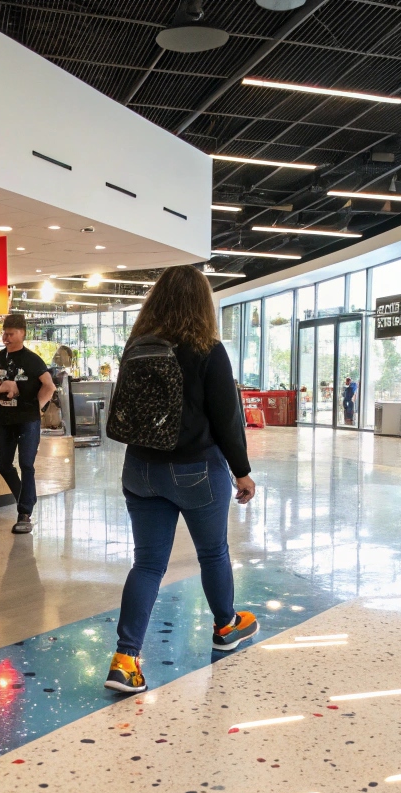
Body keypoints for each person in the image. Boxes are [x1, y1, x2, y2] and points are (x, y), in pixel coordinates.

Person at [104, 266, 259, 695]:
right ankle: (226, 626)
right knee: (213, 553)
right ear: (202, 304)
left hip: (139, 469)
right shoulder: (207, 349)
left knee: (148, 564)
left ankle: (125, 659)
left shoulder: (138, 347)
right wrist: (242, 472)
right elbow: (228, 419)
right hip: (195, 469)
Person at [0, 313, 55, 534]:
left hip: (27, 420)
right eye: (4, 333)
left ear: (22, 333)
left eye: (11, 334)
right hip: (3, 420)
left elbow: (49, 386)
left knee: (26, 464)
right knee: (3, 464)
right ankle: (27, 497)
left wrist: (37, 407)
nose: (6, 337)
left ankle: (24, 513)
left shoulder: (32, 360)